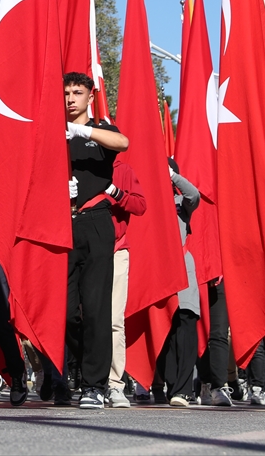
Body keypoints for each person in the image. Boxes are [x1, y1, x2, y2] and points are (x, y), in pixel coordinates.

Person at [63, 72, 129, 410]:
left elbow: (123, 144)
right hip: (62, 226)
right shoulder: (54, 134)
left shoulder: (101, 130)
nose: (71, 98)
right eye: (66, 92)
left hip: (96, 224)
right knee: (65, 312)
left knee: (96, 308)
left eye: (78, 92)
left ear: (91, 95)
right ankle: (87, 364)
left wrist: (82, 130)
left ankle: (94, 384)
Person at [156, 160, 202, 407]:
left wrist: (172, 175)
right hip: (159, 271)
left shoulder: (180, 203)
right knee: (166, 331)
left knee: (185, 323)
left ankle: (183, 389)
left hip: (183, 268)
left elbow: (193, 194)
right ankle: (171, 384)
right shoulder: (151, 202)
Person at [105, 159, 147, 408]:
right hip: (84, 248)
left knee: (114, 321)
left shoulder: (122, 169)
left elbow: (140, 205)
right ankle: (88, 380)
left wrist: (115, 192)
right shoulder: (73, 161)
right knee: (78, 317)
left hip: (116, 250)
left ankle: (114, 384)